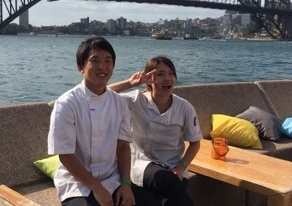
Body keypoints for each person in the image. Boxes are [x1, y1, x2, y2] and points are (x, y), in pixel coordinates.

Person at [48, 36, 158, 206]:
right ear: (80, 67)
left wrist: (126, 184)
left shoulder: (119, 103)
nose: (102, 66)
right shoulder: (67, 103)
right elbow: (65, 155)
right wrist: (97, 188)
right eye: (95, 60)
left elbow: (122, 147)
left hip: (111, 178)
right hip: (77, 183)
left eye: (108, 61)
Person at [109, 55, 203, 206]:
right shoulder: (136, 100)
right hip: (144, 162)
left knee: (169, 198)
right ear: (149, 80)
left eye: (171, 73)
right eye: (160, 74)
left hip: (174, 166)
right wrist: (130, 83)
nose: (167, 78)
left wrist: (180, 168)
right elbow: (102, 94)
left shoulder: (184, 107)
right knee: (168, 181)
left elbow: (195, 143)